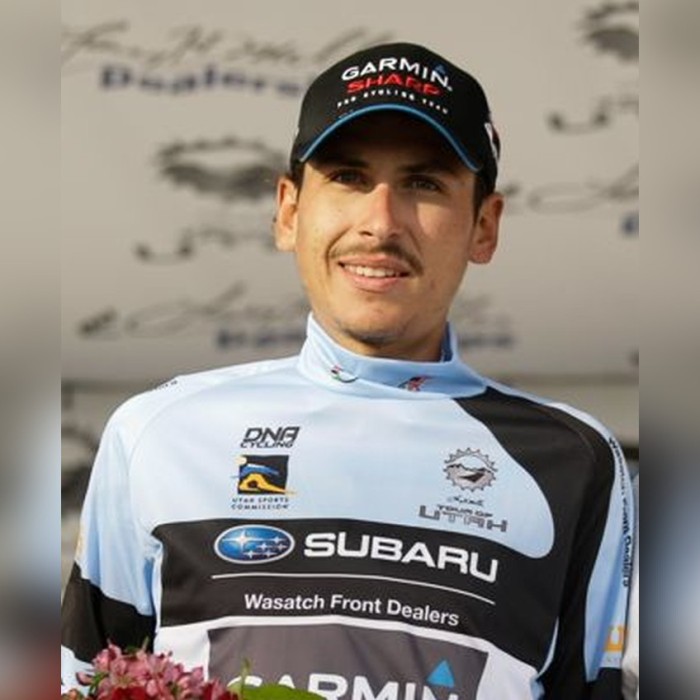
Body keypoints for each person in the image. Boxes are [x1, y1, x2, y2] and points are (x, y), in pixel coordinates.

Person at [62, 42, 635, 698]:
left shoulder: (573, 461)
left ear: (484, 225)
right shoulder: (158, 433)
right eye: (348, 177)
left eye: (423, 184)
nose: (379, 222)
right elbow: (86, 682)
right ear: (288, 211)